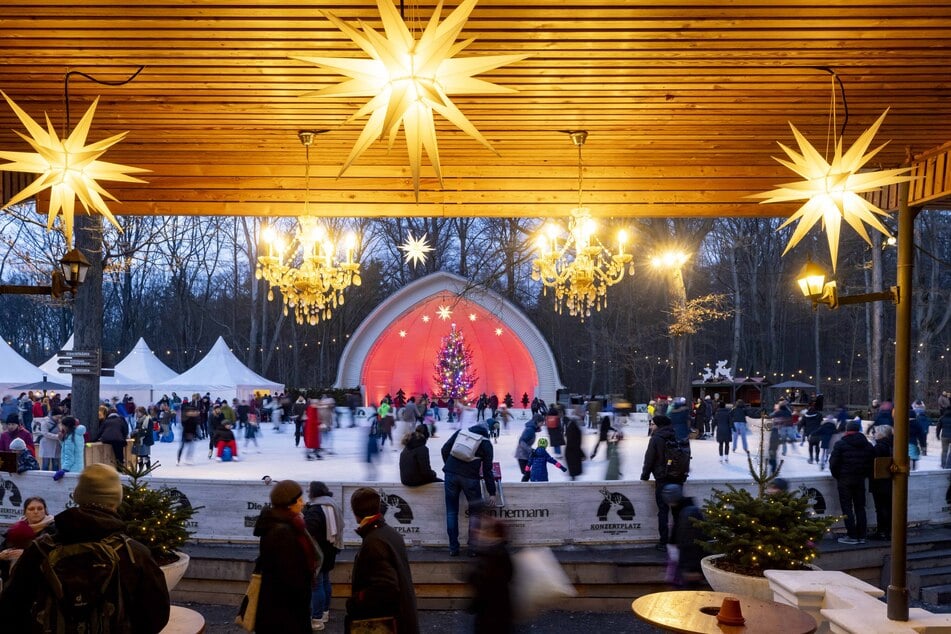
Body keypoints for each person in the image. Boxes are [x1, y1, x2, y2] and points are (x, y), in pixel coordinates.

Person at [0, 464, 170, 632]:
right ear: (115, 501)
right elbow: (156, 616)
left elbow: (10, 608)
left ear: (78, 496)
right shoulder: (134, 554)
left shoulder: (40, 550)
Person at [347, 487, 419, 634]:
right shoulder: (388, 533)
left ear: (355, 512)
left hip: (381, 623)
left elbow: (386, 587)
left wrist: (356, 600)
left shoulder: (374, 541)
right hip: (399, 618)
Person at [253, 479, 322, 634]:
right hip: (284, 613)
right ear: (288, 503)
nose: (303, 503)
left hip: (282, 608)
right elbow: (290, 576)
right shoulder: (282, 531)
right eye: (299, 500)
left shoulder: (287, 525)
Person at [441, 424, 497, 557]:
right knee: (475, 513)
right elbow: (488, 471)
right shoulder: (485, 443)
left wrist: (451, 467)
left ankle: (453, 548)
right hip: (470, 478)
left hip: (450, 474)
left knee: (451, 512)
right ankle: (472, 549)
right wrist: (492, 492)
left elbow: (444, 449)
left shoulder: (461, 433)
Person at [640, 415, 689, 550]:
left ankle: (663, 542)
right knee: (677, 512)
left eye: (653, 424)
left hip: (662, 479)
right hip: (678, 478)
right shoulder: (677, 436)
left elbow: (649, 460)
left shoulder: (656, 439)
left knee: (663, 511)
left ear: (659, 425)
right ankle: (678, 540)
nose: (651, 427)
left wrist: (644, 475)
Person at [304, 481, 344, 631]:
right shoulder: (332, 504)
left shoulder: (316, 509)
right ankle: (325, 613)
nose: (307, 492)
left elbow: (308, 529)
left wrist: (303, 515)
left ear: (314, 492)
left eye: (309, 490)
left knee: (317, 584)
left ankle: (316, 619)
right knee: (325, 580)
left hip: (318, 552)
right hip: (331, 549)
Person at [466, 512, 514, 634]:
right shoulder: (499, 552)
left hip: (491, 617)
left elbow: (485, 586)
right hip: (499, 613)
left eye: (482, 530)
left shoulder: (493, 556)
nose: (477, 532)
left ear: (493, 535)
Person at [830, 420, 875, 545]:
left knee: (847, 507)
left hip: (845, 479)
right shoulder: (868, 445)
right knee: (860, 507)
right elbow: (872, 463)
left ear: (847, 430)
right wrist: (864, 474)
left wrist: (838, 475)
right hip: (860, 480)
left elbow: (833, 463)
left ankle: (852, 535)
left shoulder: (840, 444)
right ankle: (862, 535)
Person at [0, 496, 56, 581]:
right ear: (25, 512)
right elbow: (3, 548)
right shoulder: (17, 529)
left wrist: (26, 555)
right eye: (31, 509)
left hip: (40, 583)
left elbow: (54, 555)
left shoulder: (53, 530)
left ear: (45, 511)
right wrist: (2, 555)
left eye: (40, 508)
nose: (36, 512)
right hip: (11, 582)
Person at [660, 484, 703, 589]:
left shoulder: (687, 514)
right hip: (685, 566)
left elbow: (691, 543)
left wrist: (691, 569)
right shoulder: (681, 511)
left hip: (690, 568)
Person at [869, 426, 894, 541]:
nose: (874, 434)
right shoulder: (894, 445)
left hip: (879, 483)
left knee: (881, 508)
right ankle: (889, 531)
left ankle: (882, 531)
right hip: (891, 481)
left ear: (882, 434)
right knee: (889, 507)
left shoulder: (879, 447)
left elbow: (871, 464)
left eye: (876, 432)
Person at [515, 416, 541, 482]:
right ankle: (523, 487)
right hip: (522, 455)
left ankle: (524, 486)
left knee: (528, 473)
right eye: (541, 422)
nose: (542, 424)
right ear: (537, 422)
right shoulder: (530, 430)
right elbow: (522, 442)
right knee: (527, 473)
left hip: (525, 454)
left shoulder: (532, 429)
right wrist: (530, 450)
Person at [564, 413, 584, 480]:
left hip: (572, 452)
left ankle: (573, 481)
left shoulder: (571, 427)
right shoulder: (573, 428)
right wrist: (581, 453)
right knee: (574, 470)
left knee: (573, 471)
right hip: (573, 452)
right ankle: (573, 483)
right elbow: (574, 442)